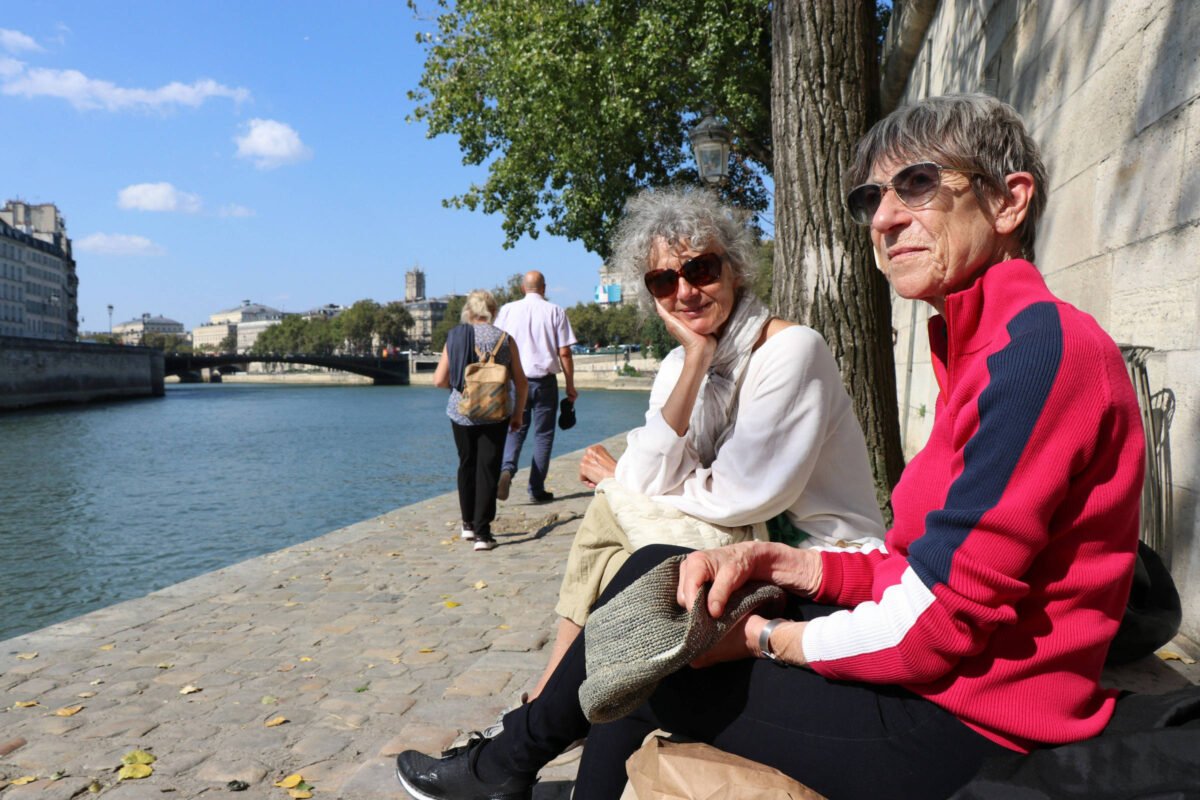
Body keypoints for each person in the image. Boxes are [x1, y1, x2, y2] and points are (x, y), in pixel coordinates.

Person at [396, 94, 1145, 800]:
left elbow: (939, 623)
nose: (884, 219)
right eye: (870, 200)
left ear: (1009, 201)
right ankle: (508, 763)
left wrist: (763, 637)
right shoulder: (984, 346)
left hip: (973, 723)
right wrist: (775, 562)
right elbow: (915, 568)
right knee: (661, 584)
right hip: (945, 682)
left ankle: (507, 762)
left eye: (916, 186)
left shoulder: (1033, 353)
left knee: (648, 652)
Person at [527, 186, 886, 701]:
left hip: (814, 560)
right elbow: (651, 475)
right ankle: (545, 716)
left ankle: (538, 710)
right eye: (663, 280)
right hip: (735, 547)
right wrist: (695, 360)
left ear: (734, 269)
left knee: (614, 514)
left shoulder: (791, 351)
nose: (685, 292)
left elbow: (743, 494)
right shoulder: (679, 366)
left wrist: (624, 485)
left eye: (700, 270)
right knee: (617, 552)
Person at [432, 290, 527, 552]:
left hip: (461, 413)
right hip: (496, 413)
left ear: (468, 312)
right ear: (493, 311)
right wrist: (517, 414)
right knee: (488, 469)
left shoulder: (455, 337)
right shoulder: (506, 340)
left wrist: (463, 390)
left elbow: (439, 380)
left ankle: (467, 525)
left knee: (467, 464)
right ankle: (483, 535)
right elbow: (521, 383)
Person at [494, 271, 578, 503]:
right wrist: (570, 386)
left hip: (514, 379)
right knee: (543, 436)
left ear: (523, 288)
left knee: (515, 429)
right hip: (544, 382)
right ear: (544, 288)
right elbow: (565, 352)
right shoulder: (555, 311)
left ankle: (507, 470)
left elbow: (497, 346)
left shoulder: (507, 311)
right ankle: (536, 489)